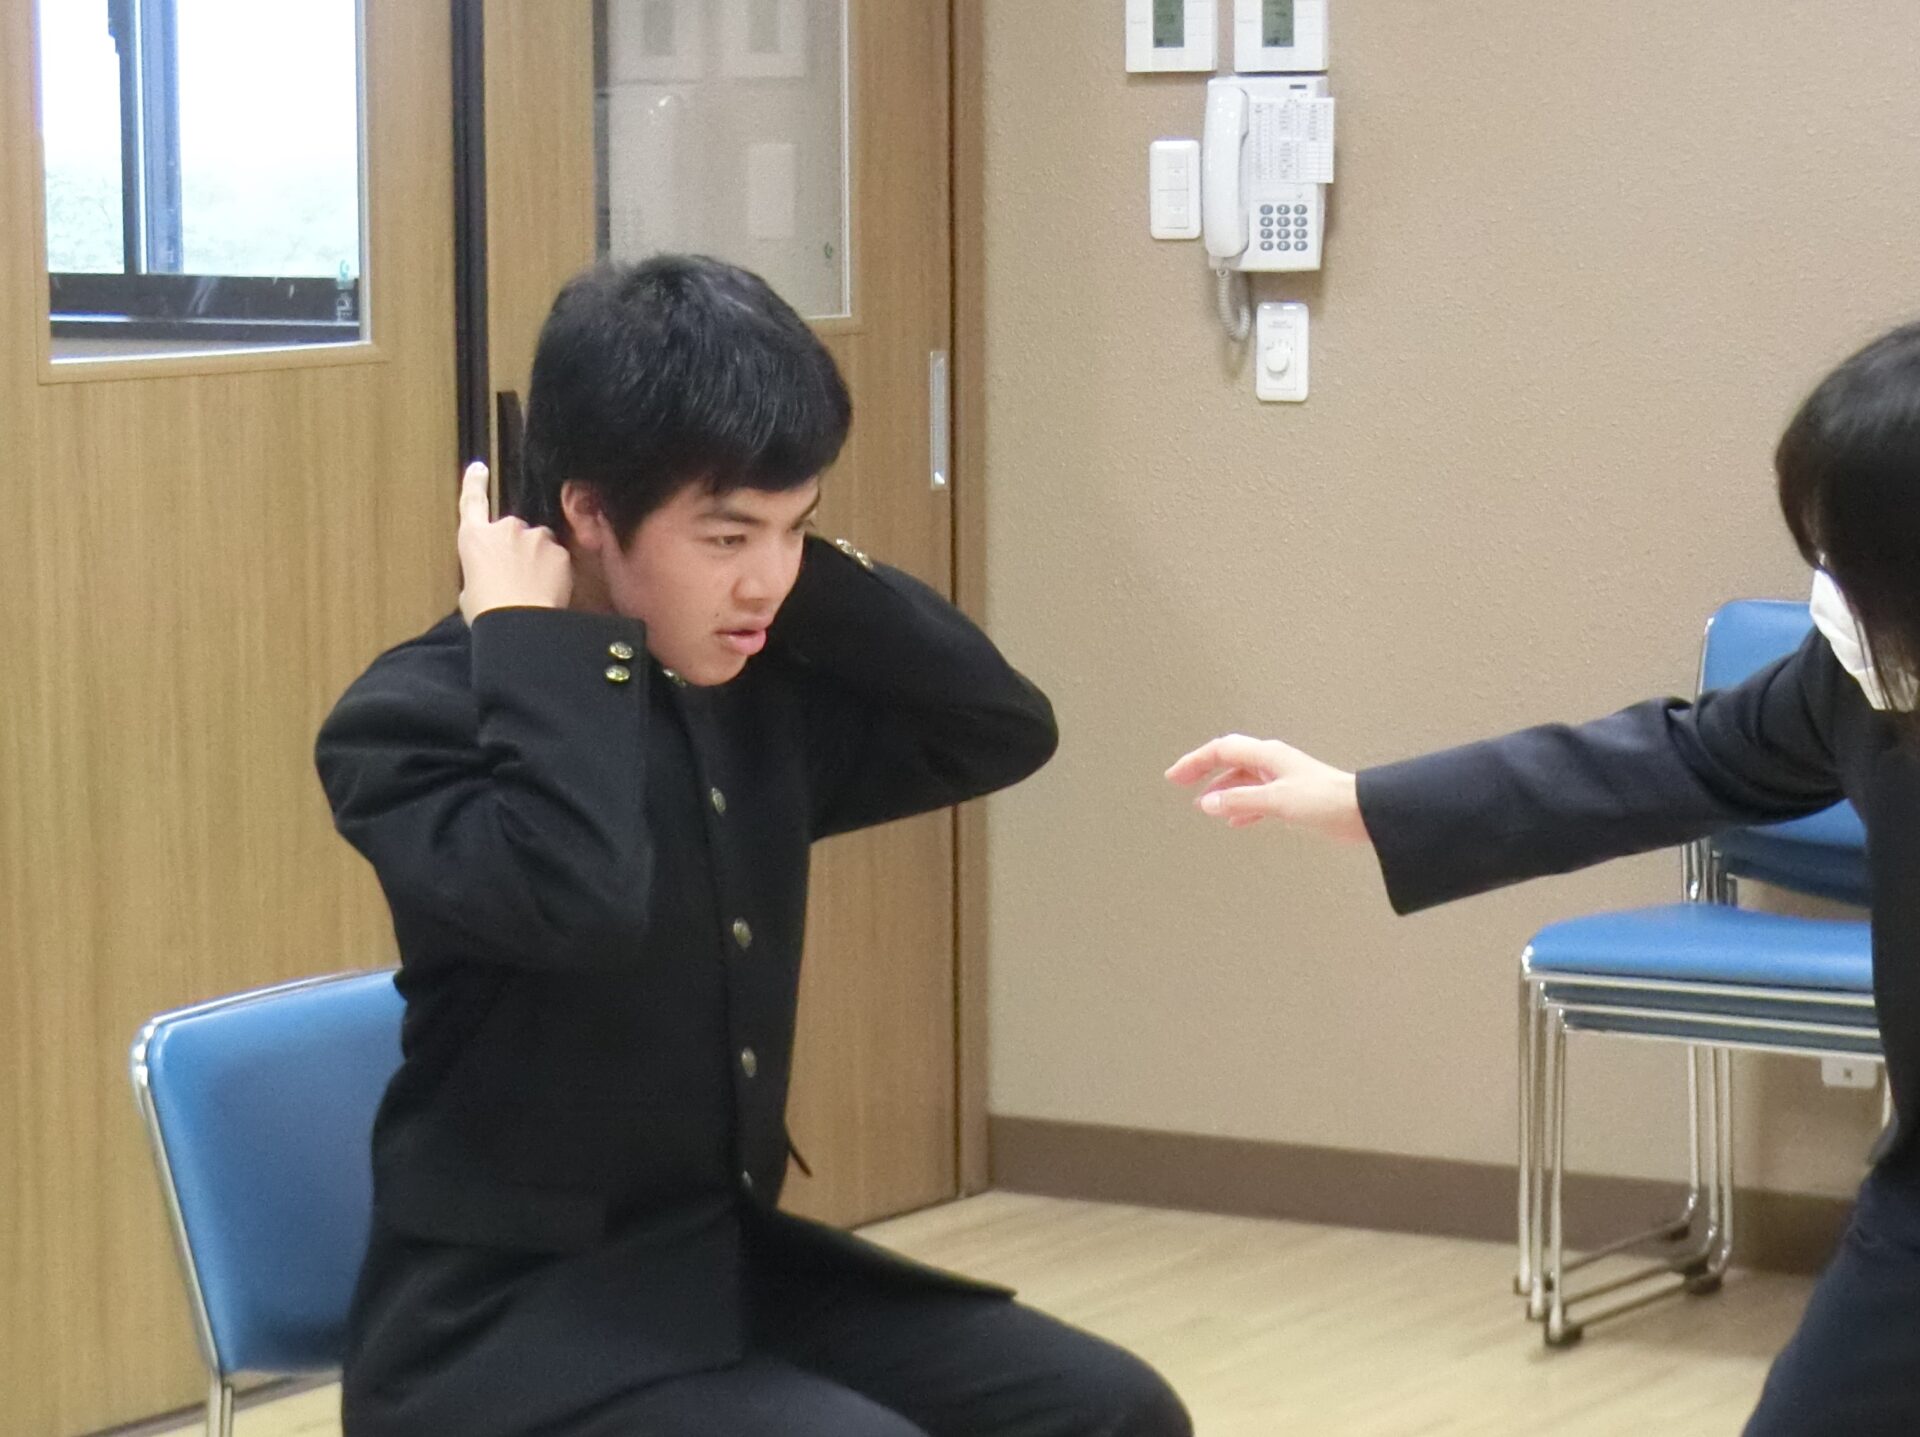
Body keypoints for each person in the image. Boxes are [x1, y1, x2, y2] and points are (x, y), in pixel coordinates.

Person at [318, 256, 1190, 1437]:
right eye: (728, 535)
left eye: (796, 529)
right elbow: (582, 901)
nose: (767, 581)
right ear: (587, 514)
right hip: (501, 1337)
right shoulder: (411, 720)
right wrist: (533, 643)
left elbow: (998, 726)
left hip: (715, 1272)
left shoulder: (739, 687)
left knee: (1111, 1412)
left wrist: (773, 561)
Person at [1167, 318, 1920, 1437]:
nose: (1831, 597)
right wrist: (1366, 802)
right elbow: (1684, 758)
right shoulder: (1860, 676)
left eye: (1850, 566)